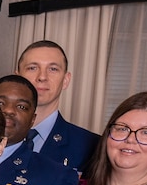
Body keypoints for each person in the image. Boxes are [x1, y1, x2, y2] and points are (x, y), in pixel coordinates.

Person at [16, 40, 100, 171]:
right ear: (17, 78)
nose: (42, 77)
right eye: (32, 68)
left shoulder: (91, 146)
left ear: (66, 80)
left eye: (53, 69)